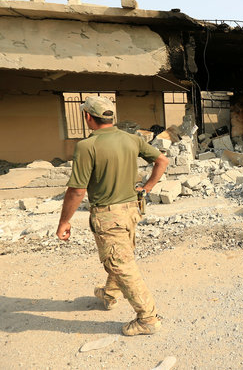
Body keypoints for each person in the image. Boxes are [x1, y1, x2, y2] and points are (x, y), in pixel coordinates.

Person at [56, 96, 169, 336]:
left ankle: (147, 318)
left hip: (108, 215)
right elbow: (162, 160)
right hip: (131, 212)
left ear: (87, 116)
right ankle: (109, 294)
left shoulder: (87, 146)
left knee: (120, 263)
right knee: (118, 255)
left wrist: (64, 221)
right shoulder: (131, 139)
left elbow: (77, 190)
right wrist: (146, 188)